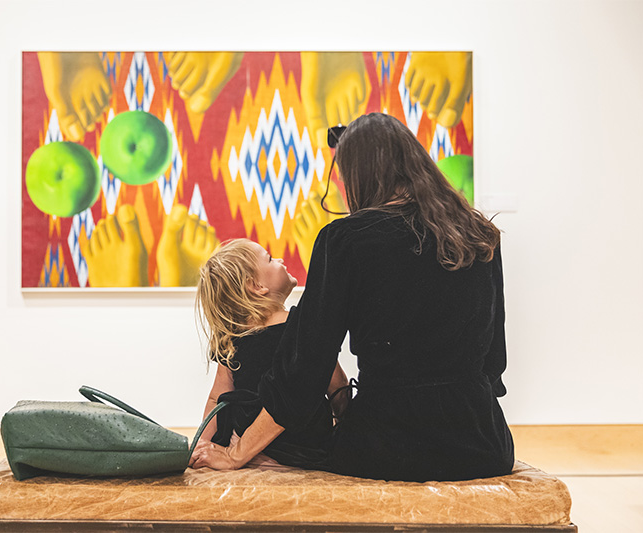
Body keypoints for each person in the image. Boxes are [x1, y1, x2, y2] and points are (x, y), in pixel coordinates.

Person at [190, 113, 514, 482]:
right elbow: (493, 361)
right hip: (484, 446)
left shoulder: (345, 240)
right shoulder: (478, 233)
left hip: (389, 448)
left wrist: (237, 453)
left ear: (361, 173)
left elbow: (305, 369)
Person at [194, 239, 349, 468]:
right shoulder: (301, 326)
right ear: (256, 286)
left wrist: (200, 445)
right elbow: (338, 387)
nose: (280, 260)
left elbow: (217, 396)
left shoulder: (232, 336)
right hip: (306, 448)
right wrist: (346, 428)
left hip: (248, 445)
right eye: (269, 258)